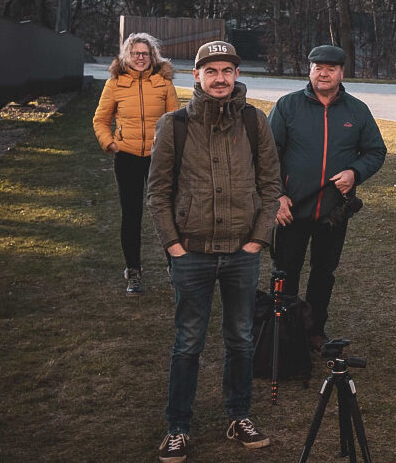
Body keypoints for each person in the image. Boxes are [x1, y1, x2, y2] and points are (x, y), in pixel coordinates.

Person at [146, 40, 278, 462]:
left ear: (237, 75)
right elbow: (158, 192)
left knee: (240, 339)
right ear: (196, 76)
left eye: (227, 71)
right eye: (211, 71)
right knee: (188, 342)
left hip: (243, 252)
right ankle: (178, 427)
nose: (220, 79)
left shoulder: (256, 122)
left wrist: (258, 238)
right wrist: (174, 245)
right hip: (193, 254)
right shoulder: (175, 124)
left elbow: (271, 187)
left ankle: (239, 416)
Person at [268, 45, 387, 345]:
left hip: (333, 212)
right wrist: (277, 196)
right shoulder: (287, 106)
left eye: (331, 68)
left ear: (341, 73)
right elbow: (267, 155)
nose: (324, 73)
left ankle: (314, 330)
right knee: (286, 272)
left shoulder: (357, 110)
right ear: (309, 70)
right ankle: (283, 331)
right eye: (318, 67)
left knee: (324, 273)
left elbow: (376, 151)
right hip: (292, 209)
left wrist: (355, 173)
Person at [93, 32, 180, 296]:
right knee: (131, 215)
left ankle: (174, 267)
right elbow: (100, 120)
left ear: (152, 56)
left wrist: (171, 151)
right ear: (127, 56)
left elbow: (177, 120)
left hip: (159, 158)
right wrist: (110, 143)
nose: (140, 58)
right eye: (135, 54)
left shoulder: (163, 83)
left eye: (145, 53)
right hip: (127, 156)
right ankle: (134, 272)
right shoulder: (115, 84)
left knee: (167, 211)